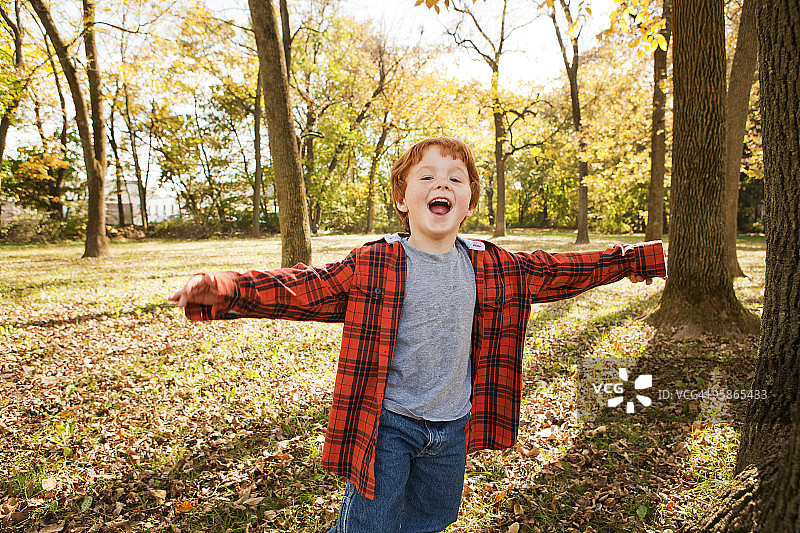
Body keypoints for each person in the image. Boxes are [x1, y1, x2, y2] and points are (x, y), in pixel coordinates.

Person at [170, 137, 666, 532]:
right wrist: (227, 289)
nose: (440, 184)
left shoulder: (493, 266)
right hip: (388, 423)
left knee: (434, 518)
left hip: (452, 425)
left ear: (468, 201)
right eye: (425, 176)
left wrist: (634, 260)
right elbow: (305, 288)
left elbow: (562, 269)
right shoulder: (378, 262)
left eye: (454, 178)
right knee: (372, 523)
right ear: (402, 199)